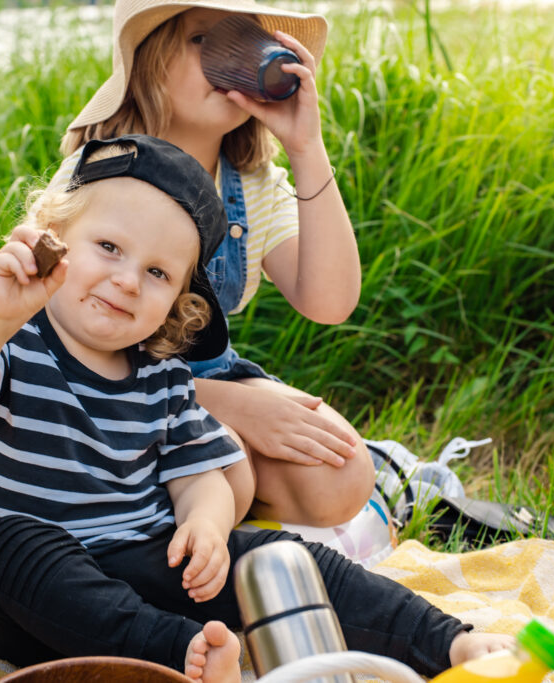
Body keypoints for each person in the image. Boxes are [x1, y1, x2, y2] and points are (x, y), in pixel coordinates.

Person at [0, 135, 513, 682]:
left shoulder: (162, 376)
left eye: (157, 273)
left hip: (149, 562)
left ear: (179, 300)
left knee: (282, 557)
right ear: (53, 239)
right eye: (108, 248)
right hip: (31, 599)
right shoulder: (12, 342)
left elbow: (198, 471)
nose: (128, 281)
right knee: (11, 547)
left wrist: (205, 523)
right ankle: (181, 651)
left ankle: (447, 642)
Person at [52, 0, 376, 530]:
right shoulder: (100, 172)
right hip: (93, 391)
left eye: (244, 41)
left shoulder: (250, 183)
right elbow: (51, 338)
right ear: (150, 59)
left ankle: (197, 514)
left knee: (341, 471)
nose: (232, 58)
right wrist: (231, 405)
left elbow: (330, 302)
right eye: (205, 39)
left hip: (205, 379)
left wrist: (305, 145)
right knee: (226, 466)